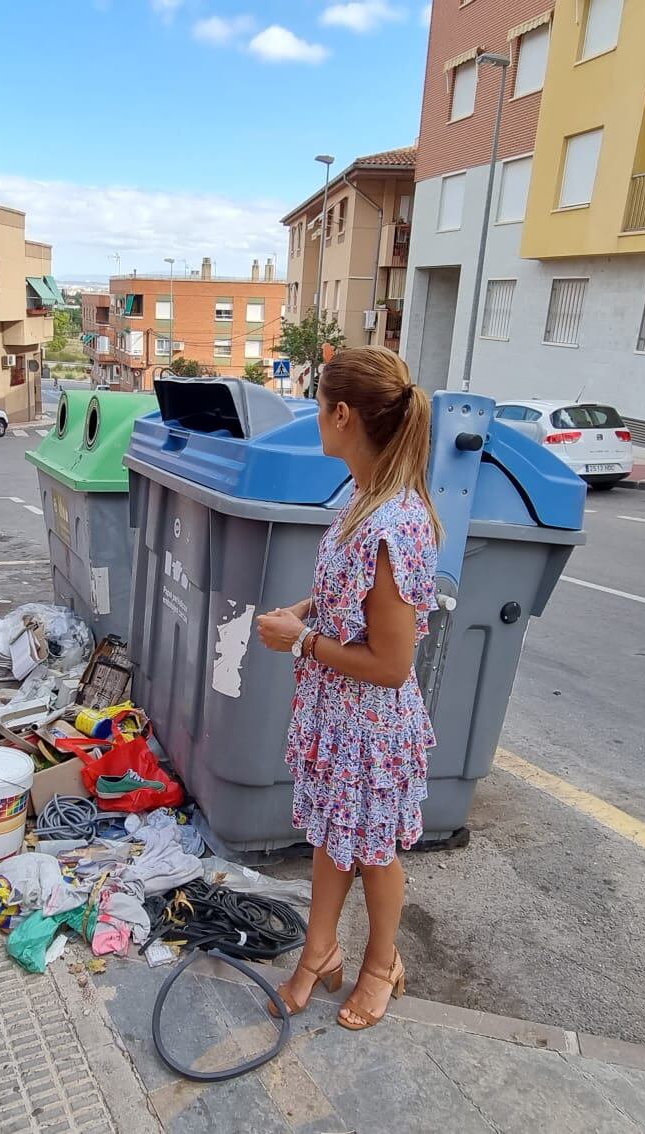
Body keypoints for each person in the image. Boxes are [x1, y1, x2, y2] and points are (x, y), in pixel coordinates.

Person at [254, 345, 441, 1032]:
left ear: (341, 413)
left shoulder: (391, 524)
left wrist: (300, 642)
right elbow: (350, 597)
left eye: (316, 404)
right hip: (336, 712)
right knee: (334, 840)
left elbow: (392, 664)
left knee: (373, 852)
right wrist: (305, 612)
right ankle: (318, 951)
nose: (313, 416)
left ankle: (380, 964)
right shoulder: (365, 498)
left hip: (371, 724)